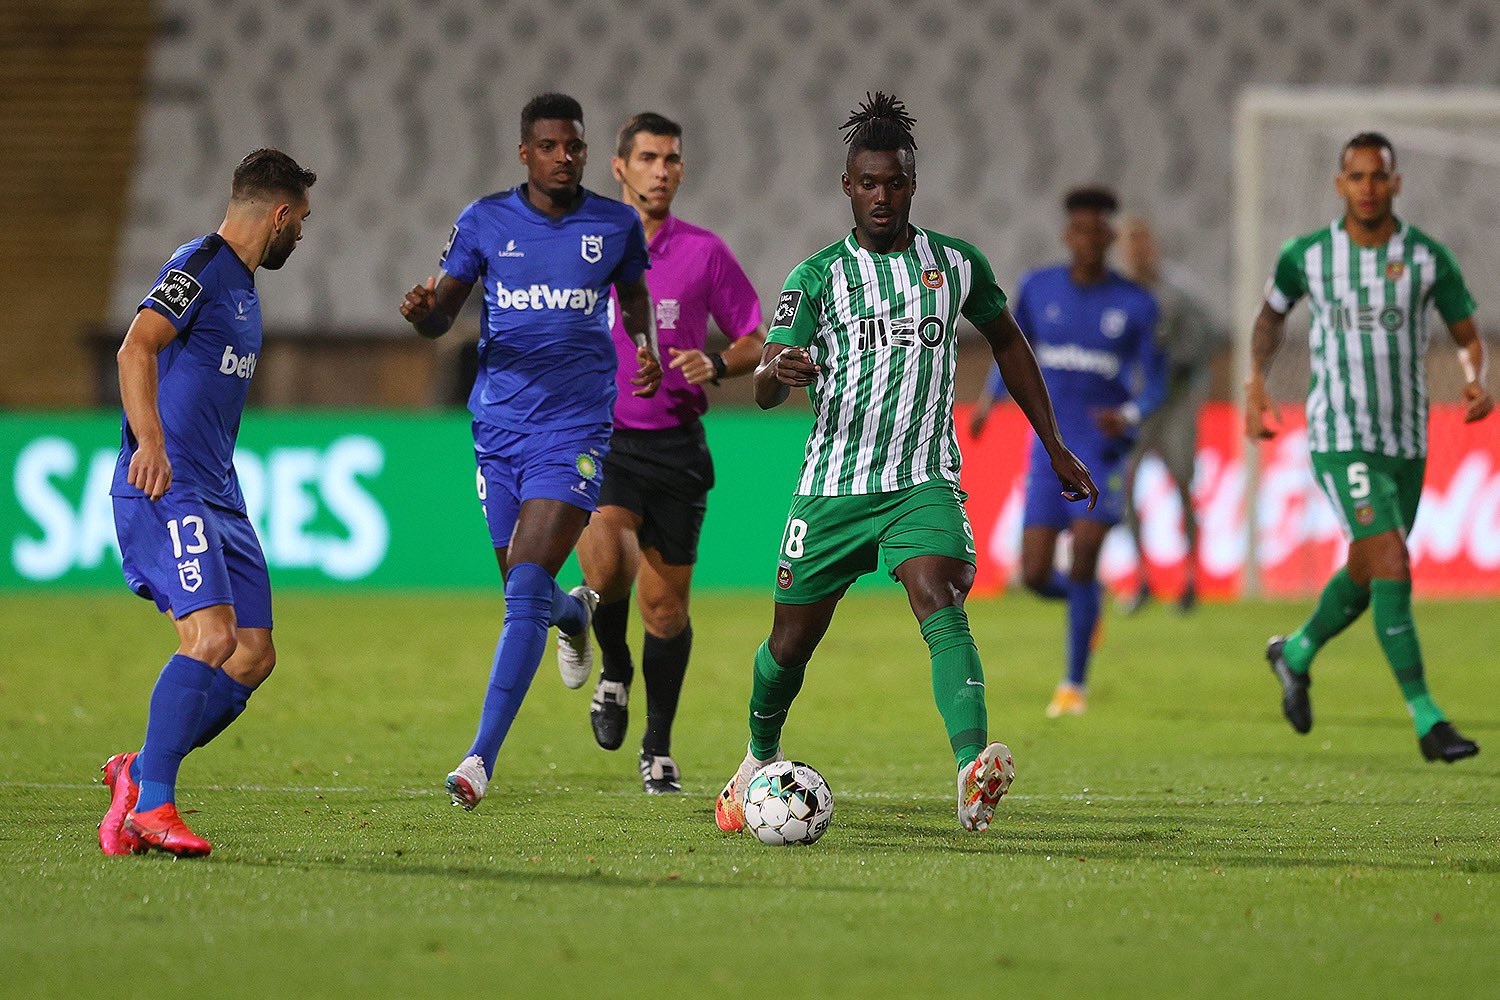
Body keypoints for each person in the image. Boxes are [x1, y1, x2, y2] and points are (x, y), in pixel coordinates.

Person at [713, 93, 1098, 836]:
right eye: (868, 183)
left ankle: (972, 769)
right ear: (847, 186)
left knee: (939, 594)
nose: (882, 196)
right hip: (833, 486)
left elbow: (1009, 341)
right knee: (790, 644)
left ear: (913, 184)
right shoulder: (816, 277)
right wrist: (775, 371)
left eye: (895, 182)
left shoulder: (955, 265)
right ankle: (758, 755)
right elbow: (765, 385)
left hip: (922, 480)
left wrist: (1053, 444)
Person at [400, 93, 662, 811]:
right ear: (525, 152)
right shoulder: (485, 221)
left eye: (573, 145)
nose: (563, 157)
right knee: (526, 589)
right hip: (498, 429)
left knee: (521, 592)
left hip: (575, 429)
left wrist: (644, 347)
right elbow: (443, 315)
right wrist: (424, 315)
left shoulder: (613, 225)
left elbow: (634, 297)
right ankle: (573, 615)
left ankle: (479, 759)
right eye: (549, 146)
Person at [99, 149, 317, 858]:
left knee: (252, 654)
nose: (302, 234)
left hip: (220, 493)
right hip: (168, 486)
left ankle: (137, 771)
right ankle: (154, 804)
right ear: (278, 215)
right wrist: (150, 443)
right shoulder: (198, 269)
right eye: (301, 220)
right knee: (211, 637)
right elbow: (135, 349)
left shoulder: (244, 288)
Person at [1249, 131, 1492, 762]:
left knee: (1368, 569)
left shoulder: (1427, 259)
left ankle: (1295, 652)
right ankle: (1428, 718)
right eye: (1356, 176)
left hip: (1406, 441)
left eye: (1378, 176)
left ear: (1395, 183)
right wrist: (1255, 382)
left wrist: (1475, 377)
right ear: (1340, 184)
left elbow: (1467, 334)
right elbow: (1270, 317)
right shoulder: (1306, 255)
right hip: (1339, 435)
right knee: (1390, 560)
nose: (1367, 187)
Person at [572, 112, 767, 794]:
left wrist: (715, 364)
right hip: (602, 438)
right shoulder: (586, 245)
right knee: (608, 562)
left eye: (672, 159)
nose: (662, 170)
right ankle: (614, 667)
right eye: (649, 158)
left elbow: (754, 339)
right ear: (619, 168)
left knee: (665, 610)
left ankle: (657, 745)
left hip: (678, 447)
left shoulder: (705, 253)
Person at [973, 187, 1165, 718]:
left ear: (1110, 236)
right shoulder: (1038, 289)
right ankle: (1088, 605)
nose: (1088, 240)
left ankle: (1072, 685)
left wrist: (1130, 415)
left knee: (1083, 558)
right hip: (1049, 449)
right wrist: (989, 400)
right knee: (1035, 574)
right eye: (1079, 230)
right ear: (1067, 235)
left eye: (1097, 230)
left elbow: (1156, 382)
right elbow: (1011, 350)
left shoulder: (1137, 303)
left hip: (1103, 449)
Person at [1116, 217, 1228, 615]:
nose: (1138, 254)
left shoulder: (1179, 292)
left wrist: (1181, 361)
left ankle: (1191, 581)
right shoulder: (1117, 293)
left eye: (1143, 244)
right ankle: (1142, 579)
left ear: (1154, 247)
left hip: (1176, 402)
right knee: (1125, 486)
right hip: (1137, 406)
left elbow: (1214, 333)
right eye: (1131, 246)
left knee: (1182, 482)